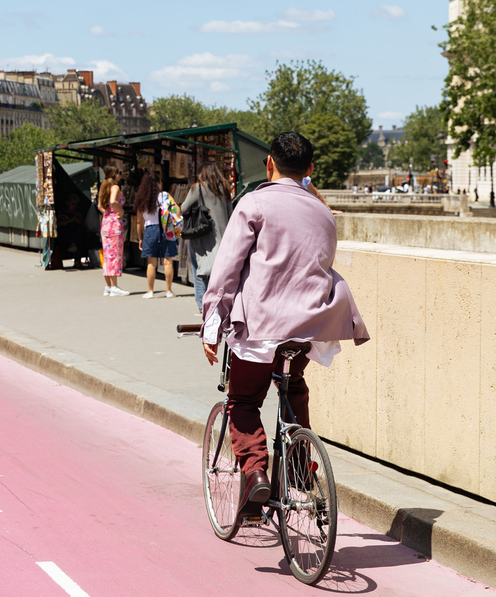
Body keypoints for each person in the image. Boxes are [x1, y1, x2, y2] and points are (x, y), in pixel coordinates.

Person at [201, 131, 369, 515]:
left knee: (243, 400)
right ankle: (297, 469)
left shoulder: (254, 203)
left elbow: (226, 271)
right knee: (293, 387)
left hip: (262, 326)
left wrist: (213, 325)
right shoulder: (323, 211)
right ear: (309, 170)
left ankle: (257, 474)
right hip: (312, 326)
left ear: (269, 164)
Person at [180, 161, 233, 316]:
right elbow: (230, 213)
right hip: (224, 238)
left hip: (203, 236)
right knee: (221, 273)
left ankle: (203, 307)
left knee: (200, 270)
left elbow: (184, 208)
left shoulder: (198, 188)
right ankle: (221, 304)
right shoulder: (225, 188)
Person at [134, 171, 177, 299]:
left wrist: (141, 238)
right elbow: (176, 209)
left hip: (149, 230)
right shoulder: (165, 196)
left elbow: (138, 222)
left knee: (151, 262)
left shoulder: (142, 199)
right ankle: (169, 290)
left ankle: (150, 291)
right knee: (168, 261)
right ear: (158, 183)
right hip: (166, 229)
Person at [98, 165, 130, 296]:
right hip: (114, 225)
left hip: (105, 223)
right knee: (115, 255)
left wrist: (108, 212)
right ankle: (115, 286)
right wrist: (119, 211)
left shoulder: (103, 187)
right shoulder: (115, 187)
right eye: (119, 173)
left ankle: (108, 286)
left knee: (107, 255)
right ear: (115, 175)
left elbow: (100, 205)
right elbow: (113, 201)